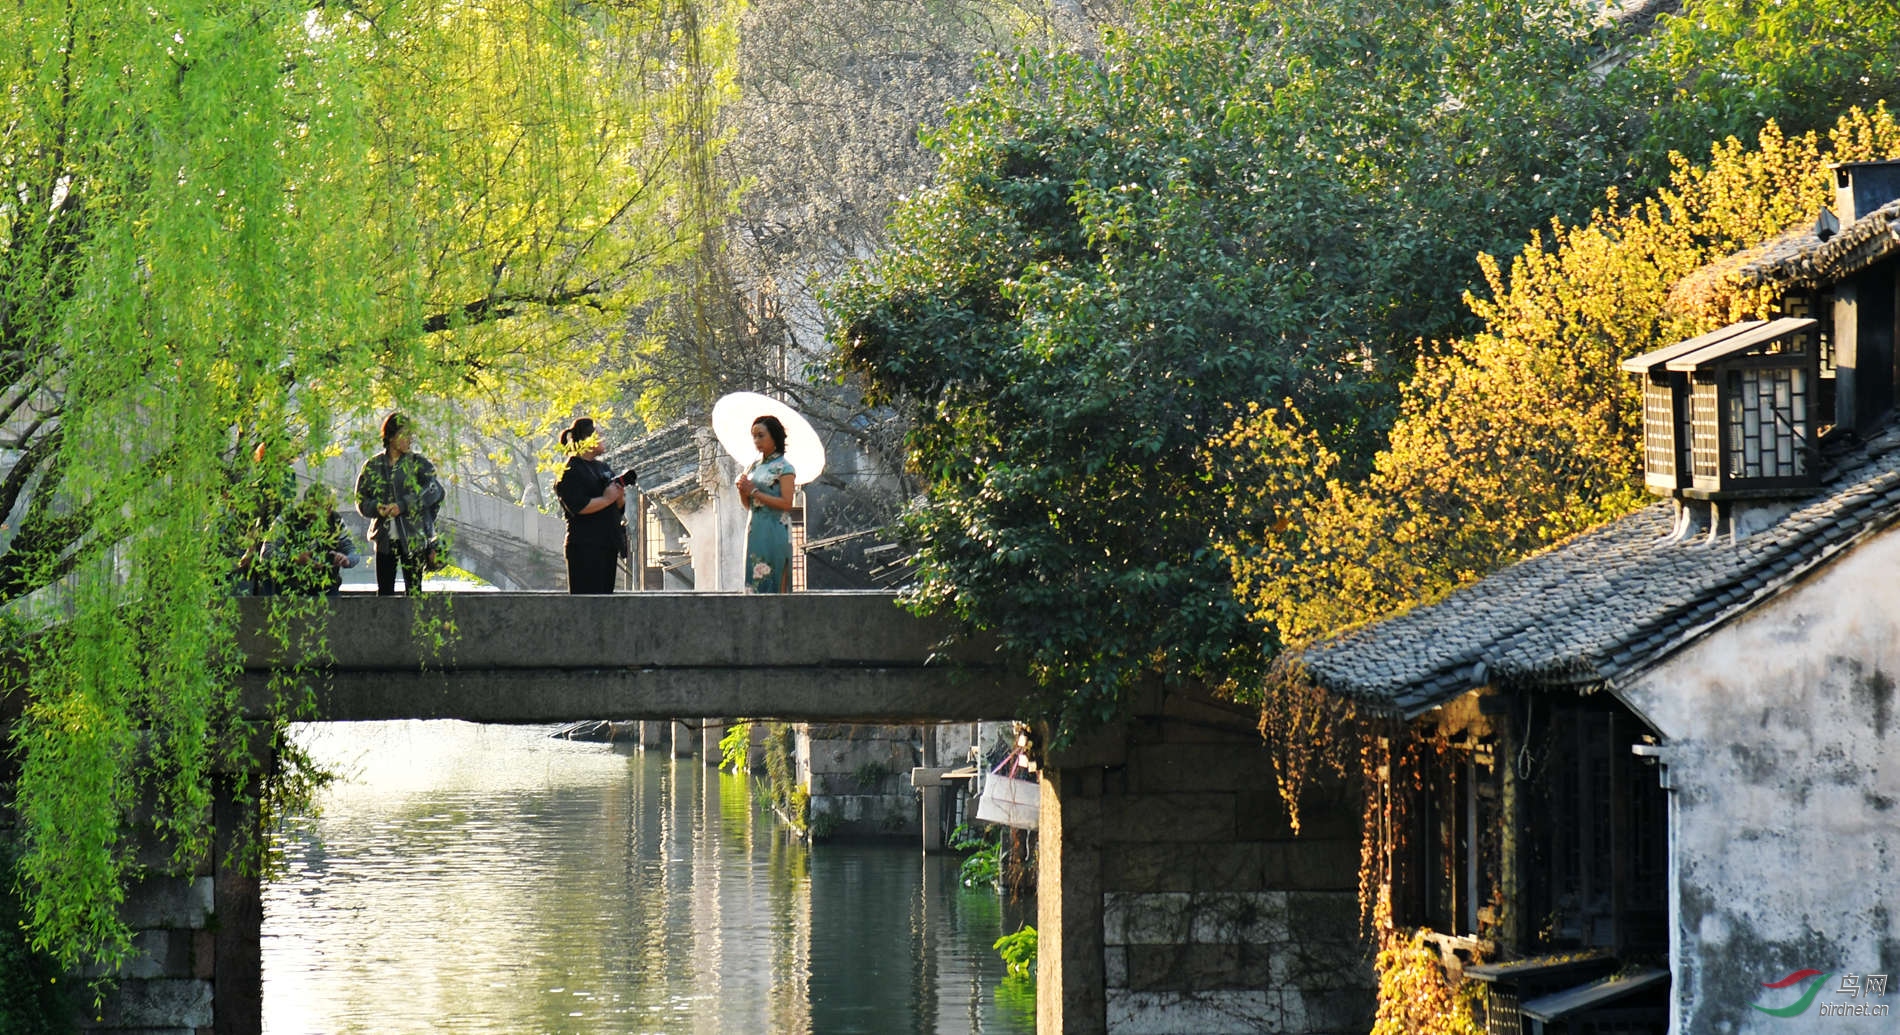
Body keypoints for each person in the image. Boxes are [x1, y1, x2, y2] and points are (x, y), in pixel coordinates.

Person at [354, 412, 444, 596]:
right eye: (405, 434)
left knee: (414, 593)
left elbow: (435, 490)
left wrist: (402, 506)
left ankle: (413, 625)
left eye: (411, 435)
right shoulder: (373, 466)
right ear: (391, 436)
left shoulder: (418, 464)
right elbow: (361, 500)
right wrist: (377, 508)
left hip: (413, 537)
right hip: (385, 538)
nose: (409, 439)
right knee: (385, 592)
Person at [553, 417, 629, 594]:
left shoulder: (602, 467)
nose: (604, 438)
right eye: (600, 434)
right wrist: (607, 499)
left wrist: (619, 497)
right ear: (588, 439)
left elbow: (618, 507)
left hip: (608, 544)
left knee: (605, 602)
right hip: (585, 546)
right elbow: (579, 507)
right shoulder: (571, 470)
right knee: (588, 604)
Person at [260, 483, 360, 596]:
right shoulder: (286, 519)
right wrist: (294, 559)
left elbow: (354, 551)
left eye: (329, 507)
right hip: (289, 587)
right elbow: (266, 554)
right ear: (308, 505)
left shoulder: (335, 520)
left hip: (325, 586)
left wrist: (346, 559)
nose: (326, 512)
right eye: (320, 507)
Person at [736, 414, 795, 593]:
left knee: (775, 581)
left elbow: (787, 503)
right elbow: (749, 505)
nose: (756, 440)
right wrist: (742, 490)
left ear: (774, 436)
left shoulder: (785, 468)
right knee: (753, 582)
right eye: (754, 436)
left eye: (761, 435)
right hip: (755, 528)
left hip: (776, 528)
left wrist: (754, 491)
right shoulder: (752, 467)